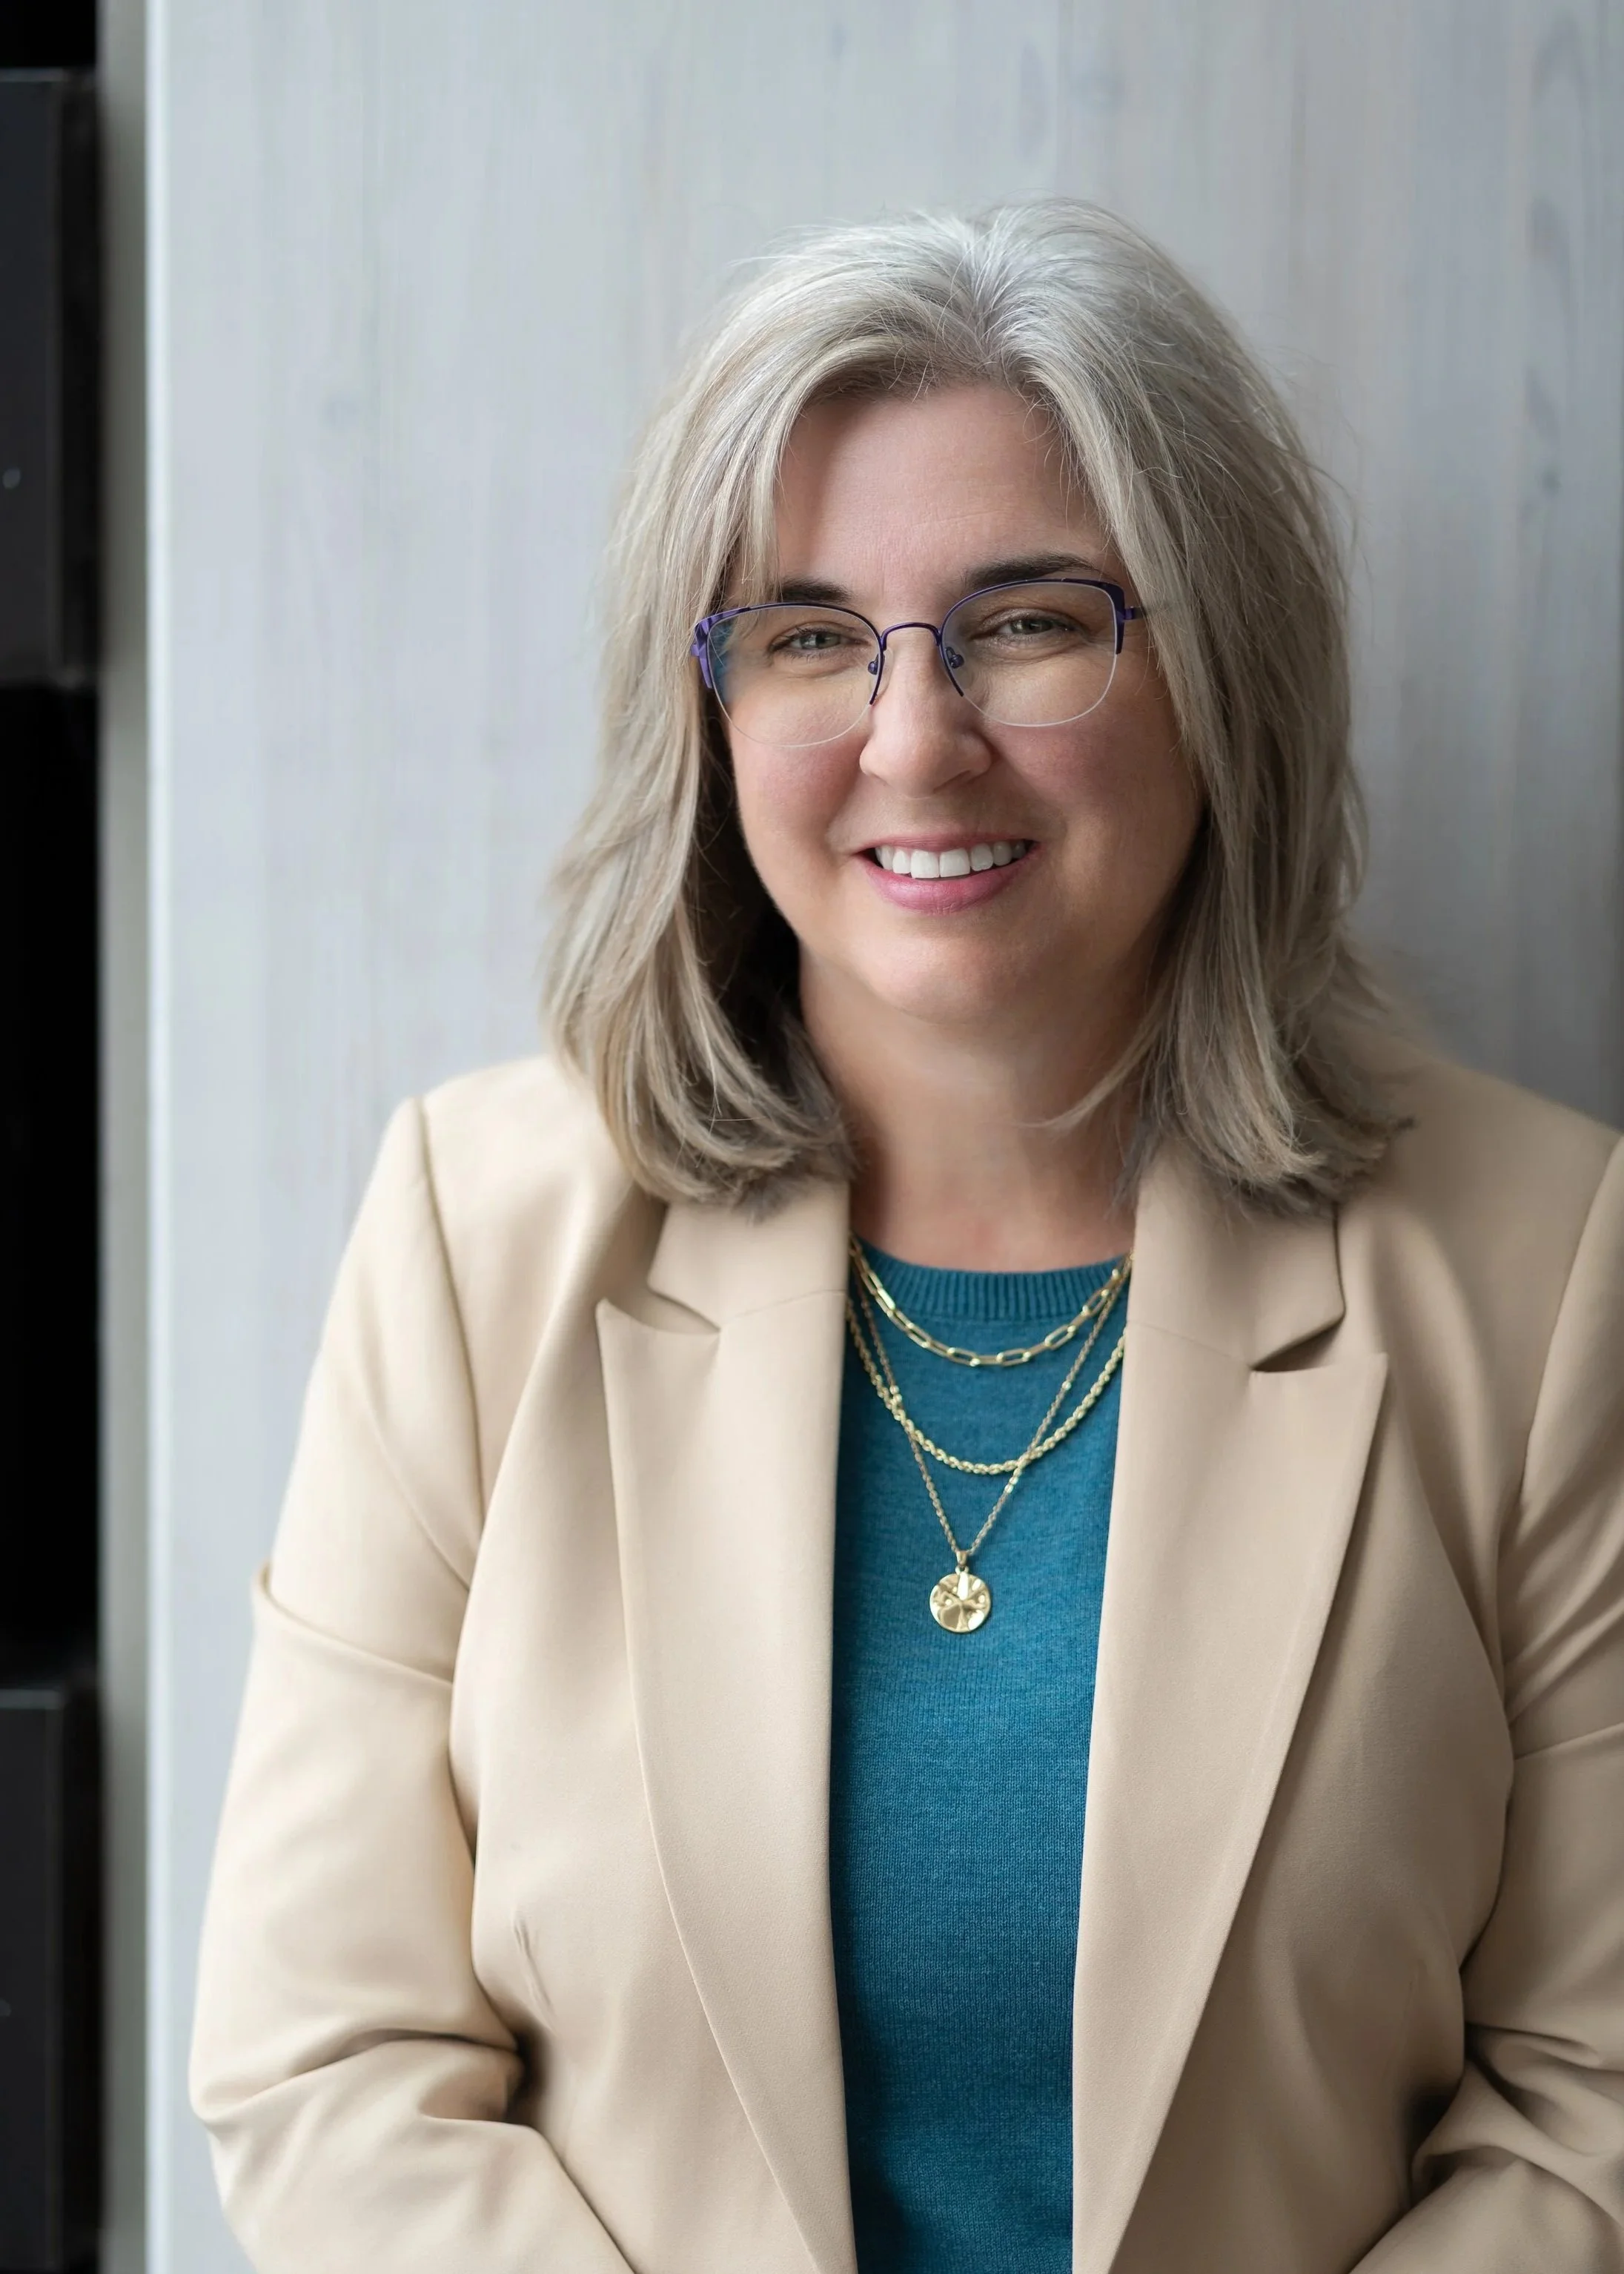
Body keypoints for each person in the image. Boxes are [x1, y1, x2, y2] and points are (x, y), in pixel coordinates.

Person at [190, 202, 1624, 2273]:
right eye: (804, 635)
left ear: (1218, 665)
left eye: (1030, 618)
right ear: (709, 709)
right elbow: (325, 2066)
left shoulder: (1547, 1265)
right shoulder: (468, 1239)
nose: (910, 733)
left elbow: (1586, 2095)